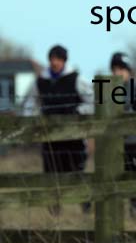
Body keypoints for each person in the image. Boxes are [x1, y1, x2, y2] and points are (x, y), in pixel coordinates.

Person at [22, 45, 94, 215]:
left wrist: (78, 113)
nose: (55, 62)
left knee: (77, 173)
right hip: (50, 137)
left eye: (58, 59)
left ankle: (85, 207)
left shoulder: (76, 79)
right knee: (51, 175)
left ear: (64, 61)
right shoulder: (41, 81)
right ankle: (54, 212)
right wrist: (33, 119)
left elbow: (91, 100)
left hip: (73, 137)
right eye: (52, 59)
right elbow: (29, 103)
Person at [110, 52, 136, 218]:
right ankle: (116, 208)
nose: (117, 73)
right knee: (115, 174)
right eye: (114, 69)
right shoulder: (110, 88)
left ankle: (135, 205)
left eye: (121, 69)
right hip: (115, 142)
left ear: (128, 70)